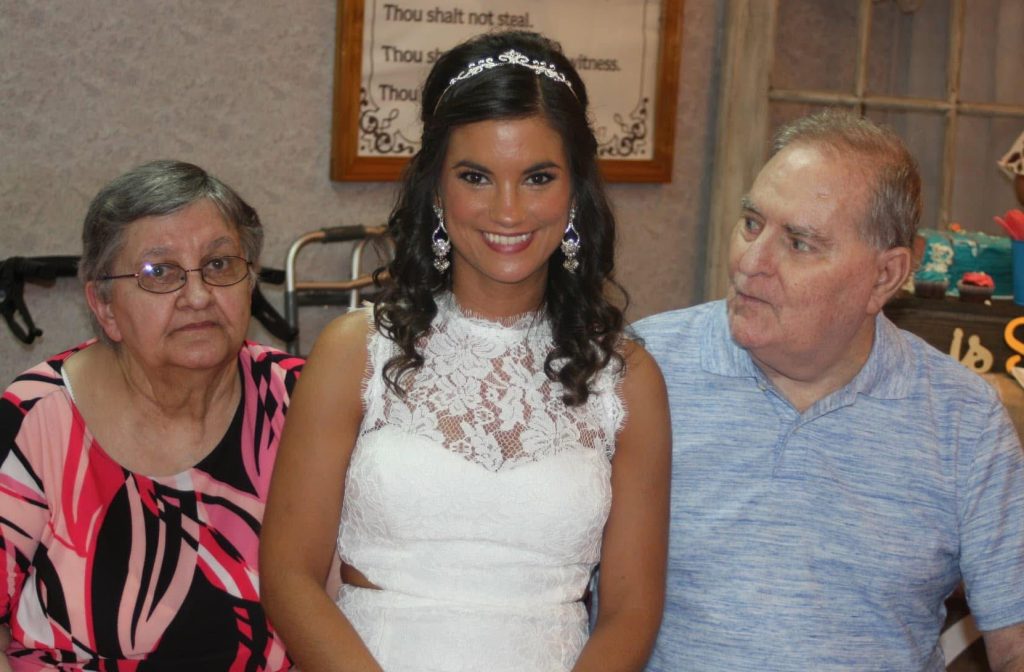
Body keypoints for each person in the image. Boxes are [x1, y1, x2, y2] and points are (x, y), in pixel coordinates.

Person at [260, 30, 670, 672]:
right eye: (476, 176)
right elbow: (289, 575)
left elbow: (631, 610)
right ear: (436, 191)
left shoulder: (626, 377)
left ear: (573, 193)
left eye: (538, 177)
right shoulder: (355, 351)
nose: (508, 210)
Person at [635, 110, 1024, 671]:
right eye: (751, 223)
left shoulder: (963, 419)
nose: (751, 261)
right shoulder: (643, 370)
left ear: (885, 276)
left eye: (798, 242)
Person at [0, 160, 302, 670]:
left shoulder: (302, 400)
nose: (199, 296)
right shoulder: (35, 419)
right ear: (105, 306)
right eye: (158, 272)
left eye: (220, 264)